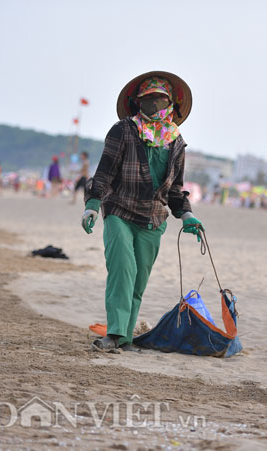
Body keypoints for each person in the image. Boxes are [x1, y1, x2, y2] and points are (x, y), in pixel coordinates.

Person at [82, 71, 202, 353]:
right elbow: (104, 173)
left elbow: (175, 189)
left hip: (153, 219)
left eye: (162, 99)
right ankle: (113, 333)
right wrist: (92, 206)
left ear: (171, 104)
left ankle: (124, 338)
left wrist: (187, 215)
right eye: (149, 99)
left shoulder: (176, 141)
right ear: (138, 102)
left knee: (138, 280)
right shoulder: (123, 130)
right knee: (123, 269)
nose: (156, 105)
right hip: (119, 211)